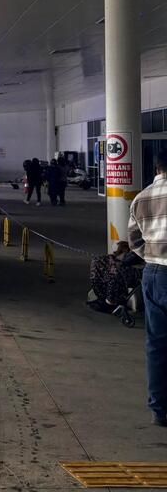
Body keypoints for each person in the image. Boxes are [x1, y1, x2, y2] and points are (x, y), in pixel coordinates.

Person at [128, 147, 167, 427]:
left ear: (157, 168)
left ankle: (159, 409)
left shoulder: (141, 197)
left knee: (156, 344)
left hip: (153, 274)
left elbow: (134, 241)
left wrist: (153, 257)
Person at [89, 241, 144, 313]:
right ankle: (101, 295)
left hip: (139, 266)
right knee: (97, 261)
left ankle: (110, 302)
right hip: (129, 256)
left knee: (116, 269)